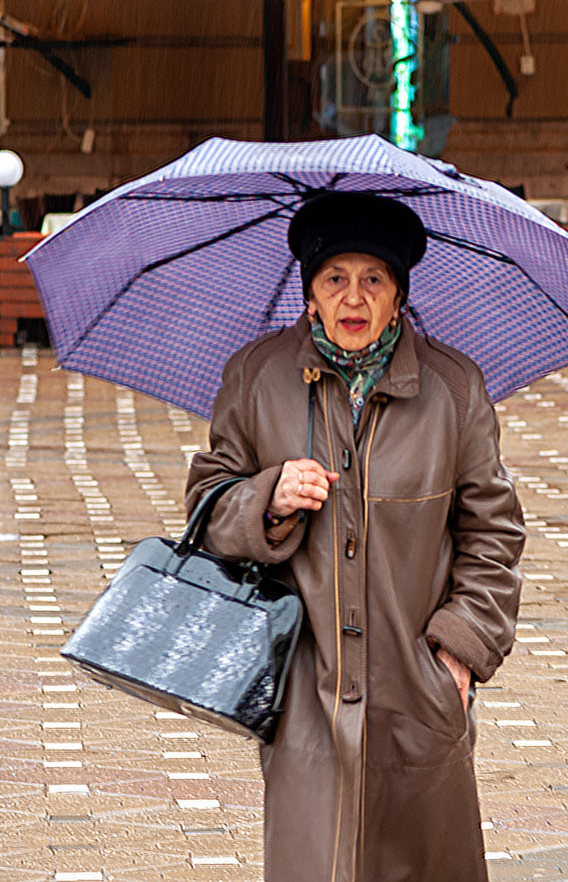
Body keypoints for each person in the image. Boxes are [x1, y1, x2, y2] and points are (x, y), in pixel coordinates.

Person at [186, 191, 526, 882]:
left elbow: (494, 528)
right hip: (303, 689)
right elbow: (206, 508)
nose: (353, 296)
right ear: (309, 289)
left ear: (398, 293)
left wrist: (457, 651)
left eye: (373, 279)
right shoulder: (255, 377)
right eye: (335, 277)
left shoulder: (454, 388)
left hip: (418, 685)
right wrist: (266, 496)